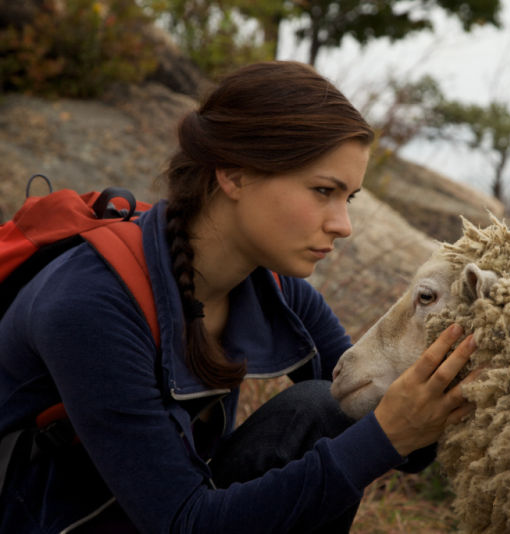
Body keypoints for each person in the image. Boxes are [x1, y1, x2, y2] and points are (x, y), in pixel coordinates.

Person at [0, 61, 478, 533]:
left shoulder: (273, 285)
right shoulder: (90, 305)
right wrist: (386, 436)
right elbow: (183, 523)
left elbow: (392, 431)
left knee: (324, 406)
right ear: (233, 175)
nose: (343, 225)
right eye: (322, 191)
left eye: (347, 198)